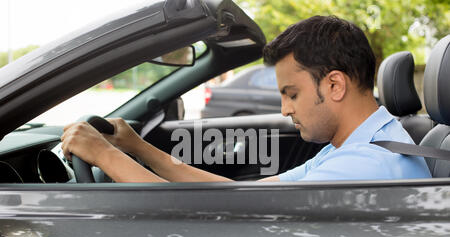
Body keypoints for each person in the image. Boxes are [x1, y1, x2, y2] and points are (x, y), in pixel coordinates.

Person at [61, 15, 431, 183]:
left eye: (292, 94)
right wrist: (137, 147)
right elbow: (237, 196)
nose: (285, 110)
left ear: (334, 85)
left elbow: (211, 213)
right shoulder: (356, 144)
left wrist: (105, 155)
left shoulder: (367, 165)